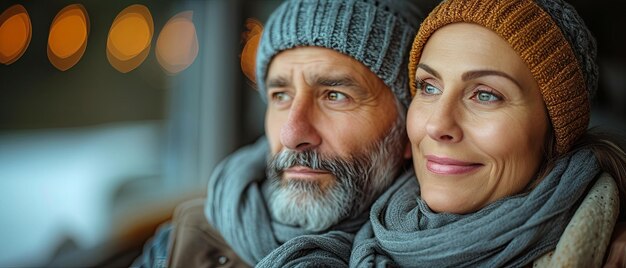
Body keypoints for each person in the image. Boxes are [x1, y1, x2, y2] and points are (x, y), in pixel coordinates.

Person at [132, 0, 425, 267]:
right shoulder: (178, 245)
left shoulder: (449, 252)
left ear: (409, 124)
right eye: (281, 95)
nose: (291, 134)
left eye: (335, 95)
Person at [350, 0, 626, 267]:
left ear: (554, 129)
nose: (438, 125)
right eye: (429, 88)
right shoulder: (356, 225)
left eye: (485, 95)